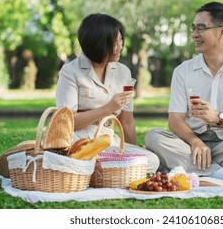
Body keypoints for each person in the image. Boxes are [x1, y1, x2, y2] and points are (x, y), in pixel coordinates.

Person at [145, 2, 223, 181]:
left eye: (201, 28)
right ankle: (221, 173)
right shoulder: (183, 71)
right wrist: (195, 142)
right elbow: (175, 120)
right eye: (193, 28)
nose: (194, 34)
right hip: (190, 143)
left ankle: (188, 166)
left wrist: (217, 118)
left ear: (222, 32)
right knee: (153, 137)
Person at [56, 13, 160, 173]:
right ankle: (97, 170)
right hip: (78, 140)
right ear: (97, 43)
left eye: (121, 40)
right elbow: (67, 123)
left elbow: (127, 121)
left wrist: (131, 149)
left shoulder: (122, 72)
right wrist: (107, 108)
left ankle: (94, 171)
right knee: (69, 161)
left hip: (108, 141)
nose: (120, 46)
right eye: (114, 42)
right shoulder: (71, 72)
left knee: (151, 161)